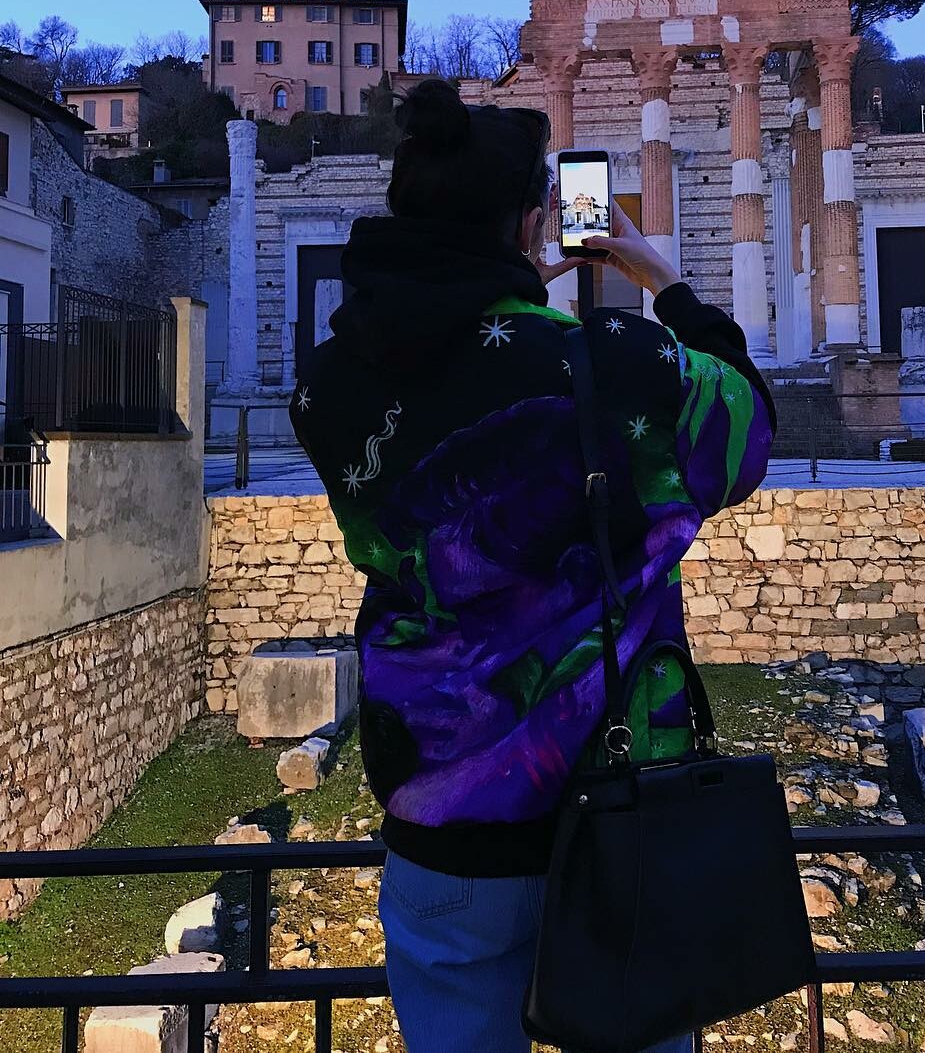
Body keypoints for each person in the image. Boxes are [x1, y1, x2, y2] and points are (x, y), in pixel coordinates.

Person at [290, 80, 776, 1053]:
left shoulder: (329, 386)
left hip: (443, 816)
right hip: (618, 812)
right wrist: (659, 277)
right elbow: (748, 428)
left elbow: (452, 356)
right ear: (529, 219)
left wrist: (507, 284)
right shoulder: (611, 359)